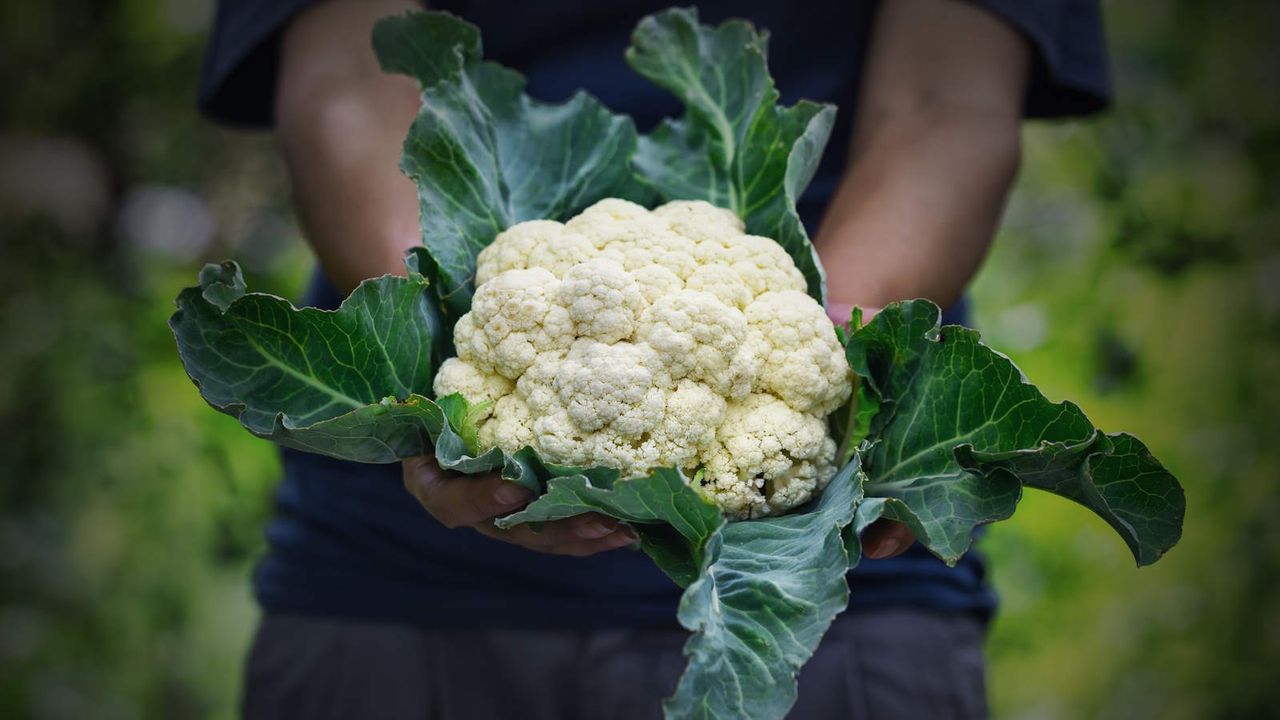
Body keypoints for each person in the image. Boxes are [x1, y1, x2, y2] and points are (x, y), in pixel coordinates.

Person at [198, 0, 1109, 717]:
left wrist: (839, 348)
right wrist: (431, 373)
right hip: (392, 593)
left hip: (825, 605)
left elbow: (948, 100)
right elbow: (348, 82)